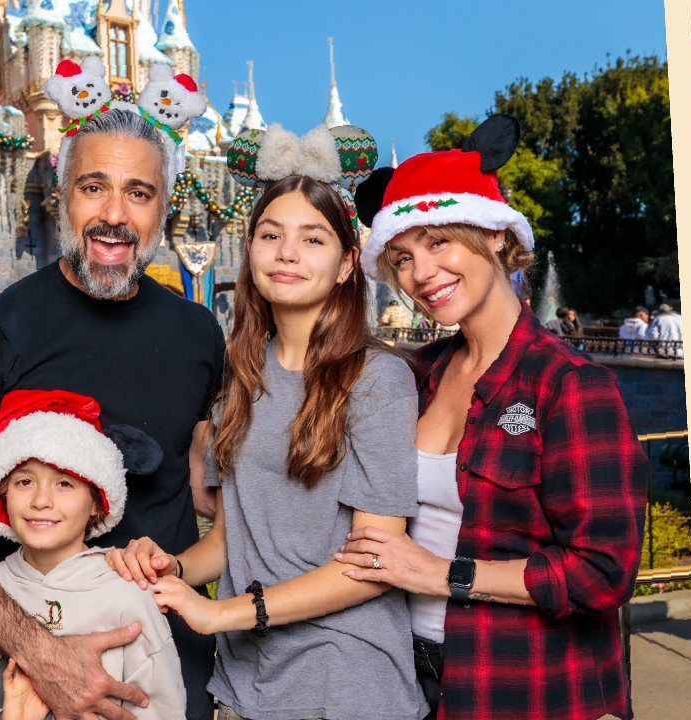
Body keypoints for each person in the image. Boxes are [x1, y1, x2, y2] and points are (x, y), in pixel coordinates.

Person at [0, 61, 221, 720]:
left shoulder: (198, 333)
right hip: (24, 682)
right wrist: (44, 656)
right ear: (61, 194)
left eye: (138, 193)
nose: (113, 215)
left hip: (167, 676)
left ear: (164, 206)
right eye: (93, 187)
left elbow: (211, 491)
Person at [108, 122, 428, 720]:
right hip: (246, 682)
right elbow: (232, 539)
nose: (287, 252)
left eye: (313, 238)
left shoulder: (377, 380)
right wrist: (174, 567)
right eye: (271, 234)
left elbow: (375, 565)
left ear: (346, 264)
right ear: (250, 249)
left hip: (342, 681)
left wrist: (222, 613)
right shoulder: (241, 377)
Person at [338, 114, 649, 720]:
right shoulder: (418, 373)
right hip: (405, 676)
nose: (420, 273)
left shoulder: (570, 385)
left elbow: (604, 573)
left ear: (498, 237)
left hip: (525, 686)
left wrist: (444, 575)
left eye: (438, 242)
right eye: (401, 257)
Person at [0, 390, 185, 720]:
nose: (41, 500)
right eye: (24, 481)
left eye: (65, 484)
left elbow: (164, 711)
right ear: (1, 493)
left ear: (97, 501)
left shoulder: (128, 594)